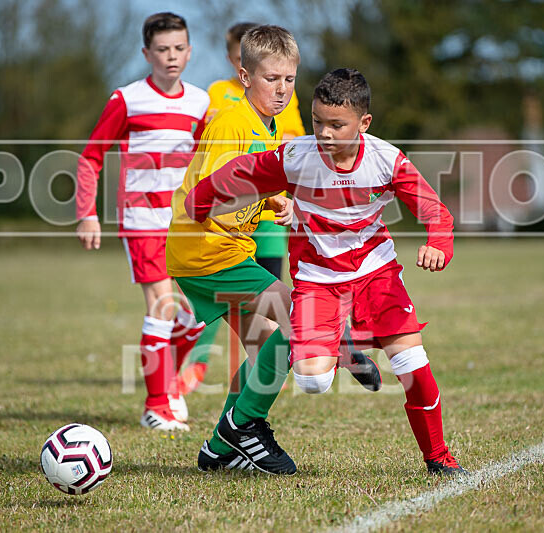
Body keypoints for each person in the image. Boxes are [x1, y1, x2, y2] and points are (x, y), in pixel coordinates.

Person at [186, 68, 466, 475]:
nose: (325, 133)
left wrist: (438, 243)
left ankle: (438, 457)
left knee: (413, 366)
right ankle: (334, 344)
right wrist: (201, 201)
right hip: (318, 279)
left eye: (337, 125)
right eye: (318, 121)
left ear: (364, 123)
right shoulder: (296, 157)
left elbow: (434, 211)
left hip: (376, 273)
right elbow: (241, 173)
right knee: (313, 381)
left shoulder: (387, 160)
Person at [75, 12, 209, 432]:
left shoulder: (201, 103)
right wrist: (87, 214)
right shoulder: (127, 99)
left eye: (179, 48)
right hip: (142, 219)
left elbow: (208, 165)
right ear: (146, 53)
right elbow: (90, 157)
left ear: (190, 51)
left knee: (198, 315)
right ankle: (156, 406)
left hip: (185, 224)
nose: (172, 56)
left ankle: (168, 384)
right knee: (162, 307)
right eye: (162, 49)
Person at [179, 22, 306, 393]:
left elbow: (283, 148)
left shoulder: (268, 123)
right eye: (272, 78)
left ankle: (226, 439)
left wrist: (270, 201)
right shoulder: (229, 115)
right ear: (243, 73)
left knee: (266, 350)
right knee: (299, 315)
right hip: (211, 251)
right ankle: (347, 350)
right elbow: (213, 192)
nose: (281, 89)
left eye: (289, 79)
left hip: (233, 245)